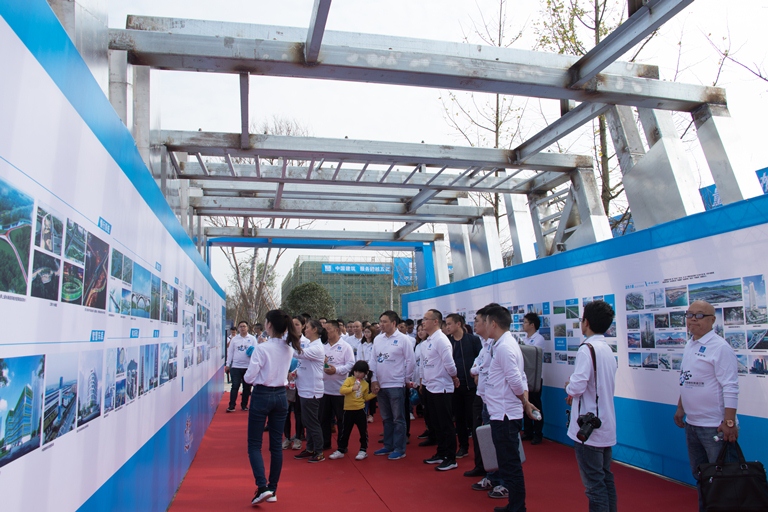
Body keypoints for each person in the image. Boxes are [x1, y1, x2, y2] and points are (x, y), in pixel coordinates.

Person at [673, 300, 739, 512]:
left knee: (723, 481)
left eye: (699, 315)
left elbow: (730, 386)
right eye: (689, 314)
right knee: (701, 477)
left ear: (712, 320)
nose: (693, 319)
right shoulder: (690, 344)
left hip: (714, 427)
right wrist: (681, 407)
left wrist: (729, 422)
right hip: (692, 424)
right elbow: (687, 378)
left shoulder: (720, 348)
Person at [243, 309, 302, 505]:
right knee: (276, 445)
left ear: (268, 325)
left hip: (262, 394)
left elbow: (249, 377)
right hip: (280, 396)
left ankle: (262, 487)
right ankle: (272, 488)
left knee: (254, 444)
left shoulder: (262, 348)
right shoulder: (289, 348)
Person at [484, 305, 538, 512]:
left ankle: (517, 507)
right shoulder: (503, 344)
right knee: (508, 463)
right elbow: (520, 377)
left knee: (510, 464)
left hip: (505, 413)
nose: (484, 326)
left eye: (485, 322)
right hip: (502, 411)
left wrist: (524, 401)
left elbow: (516, 380)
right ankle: (514, 505)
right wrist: (524, 401)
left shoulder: (505, 347)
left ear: (493, 324)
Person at [565, 300, 618, 512]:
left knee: (594, 485)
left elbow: (577, 386)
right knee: (605, 478)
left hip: (589, 428)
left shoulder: (587, 349)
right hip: (604, 423)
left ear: (586, 322)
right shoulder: (607, 349)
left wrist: (569, 386)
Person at [370, 310, 416, 460]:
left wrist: (405, 379)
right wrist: (373, 379)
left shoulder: (403, 339)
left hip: (396, 384)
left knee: (398, 418)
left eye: (385, 322)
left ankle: (399, 448)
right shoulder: (378, 339)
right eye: (380, 322)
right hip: (381, 384)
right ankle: (388, 445)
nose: (381, 325)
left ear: (393, 323)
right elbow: (373, 360)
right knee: (386, 418)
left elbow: (411, 361)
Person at [421, 309, 461, 471]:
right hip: (430, 386)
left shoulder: (441, 340)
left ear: (436, 321)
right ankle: (441, 452)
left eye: (426, 319)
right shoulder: (428, 341)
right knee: (435, 423)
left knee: (445, 424)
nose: (423, 322)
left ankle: (451, 458)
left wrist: (454, 376)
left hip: (442, 387)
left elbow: (450, 364)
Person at [445, 313, 482, 460]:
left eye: (449, 324)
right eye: (446, 324)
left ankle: (480, 449)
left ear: (458, 324)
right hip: (454, 386)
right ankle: (463, 446)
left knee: (473, 419)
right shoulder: (448, 342)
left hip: (471, 386)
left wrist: (476, 374)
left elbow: (480, 360)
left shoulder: (473, 340)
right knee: (459, 418)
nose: (447, 327)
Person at [329, 360, 377, 460]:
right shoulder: (349, 380)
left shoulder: (365, 384)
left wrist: (374, 394)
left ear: (365, 373)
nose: (358, 374)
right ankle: (341, 449)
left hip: (360, 410)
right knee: (345, 431)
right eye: (356, 371)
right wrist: (352, 388)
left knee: (363, 431)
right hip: (348, 410)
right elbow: (342, 390)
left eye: (361, 372)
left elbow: (365, 397)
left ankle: (363, 450)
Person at [294, 319, 327, 462]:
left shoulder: (317, 347)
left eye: (307, 327)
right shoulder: (310, 345)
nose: (304, 329)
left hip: (311, 390)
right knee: (307, 421)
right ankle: (310, 448)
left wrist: (284, 345)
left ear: (314, 330)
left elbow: (298, 354)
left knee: (312, 422)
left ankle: (319, 451)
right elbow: (302, 363)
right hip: (304, 388)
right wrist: (294, 372)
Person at [320, 320, 355, 452]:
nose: (326, 332)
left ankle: (342, 445)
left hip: (340, 389)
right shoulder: (323, 347)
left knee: (341, 419)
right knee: (324, 418)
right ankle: (325, 442)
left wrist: (337, 370)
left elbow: (351, 364)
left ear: (336, 330)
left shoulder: (346, 346)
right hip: (324, 389)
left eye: (328, 329)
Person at [521, 312, 545, 444]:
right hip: (525, 376)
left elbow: (531, 354)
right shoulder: (524, 339)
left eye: (525, 322)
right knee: (526, 403)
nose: (523, 325)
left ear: (532, 325)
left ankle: (538, 433)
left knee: (535, 404)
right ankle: (528, 431)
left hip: (535, 378)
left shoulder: (539, 339)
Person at [225, 321, 256, 412]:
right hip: (236, 366)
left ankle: (244, 405)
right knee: (235, 385)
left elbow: (256, 352)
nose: (242, 328)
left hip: (248, 367)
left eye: (244, 326)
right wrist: (228, 364)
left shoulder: (252, 339)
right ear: (238, 328)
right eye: (241, 326)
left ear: (247, 328)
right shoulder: (234, 339)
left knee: (247, 387)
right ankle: (232, 405)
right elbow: (230, 352)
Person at [359, 325, 379, 422]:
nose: (366, 334)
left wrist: (370, 368)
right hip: (362, 369)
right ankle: (364, 413)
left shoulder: (375, 344)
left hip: (372, 370)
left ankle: (371, 413)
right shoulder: (361, 344)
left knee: (371, 392)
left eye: (368, 332)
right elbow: (358, 357)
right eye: (365, 332)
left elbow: (375, 358)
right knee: (363, 391)